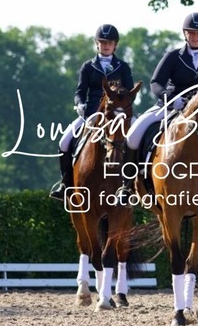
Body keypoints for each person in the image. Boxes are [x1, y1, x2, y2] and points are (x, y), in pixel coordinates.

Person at [115, 12, 198, 212]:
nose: (195, 36)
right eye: (191, 32)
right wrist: (170, 98)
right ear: (185, 33)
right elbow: (156, 83)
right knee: (133, 135)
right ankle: (126, 187)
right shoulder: (173, 57)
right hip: (170, 106)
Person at [49, 24, 134, 201]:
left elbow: (130, 91)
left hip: (117, 115)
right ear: (97, 43)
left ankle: (130, 184)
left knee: (135, 140)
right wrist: (80, 104)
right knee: (64, 142)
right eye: (102, 42)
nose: (106, 45)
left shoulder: (123, 67)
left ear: (115, 45)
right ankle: (66, 183)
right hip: (92, 113)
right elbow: (80, 92)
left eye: (109, 42)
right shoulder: (88, 66)